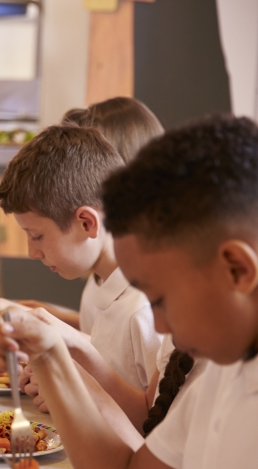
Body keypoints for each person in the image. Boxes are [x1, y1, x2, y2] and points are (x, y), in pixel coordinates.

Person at [0, 115, 258, 469]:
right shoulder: (222, 372)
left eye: (160, 298)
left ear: (237, 270)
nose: (158, 325)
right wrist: (50, 351)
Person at [0, 124, 163, 392]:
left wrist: (66, 385)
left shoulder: (144, 312)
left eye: (37, 236)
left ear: (86, 223)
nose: (32, 252)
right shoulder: (104, 280)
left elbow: (152, 424)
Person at [20, 97, 165, 329]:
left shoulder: (143, 295)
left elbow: (128, 340)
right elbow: (105, 333)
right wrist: (50, 316)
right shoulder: (102, 261)